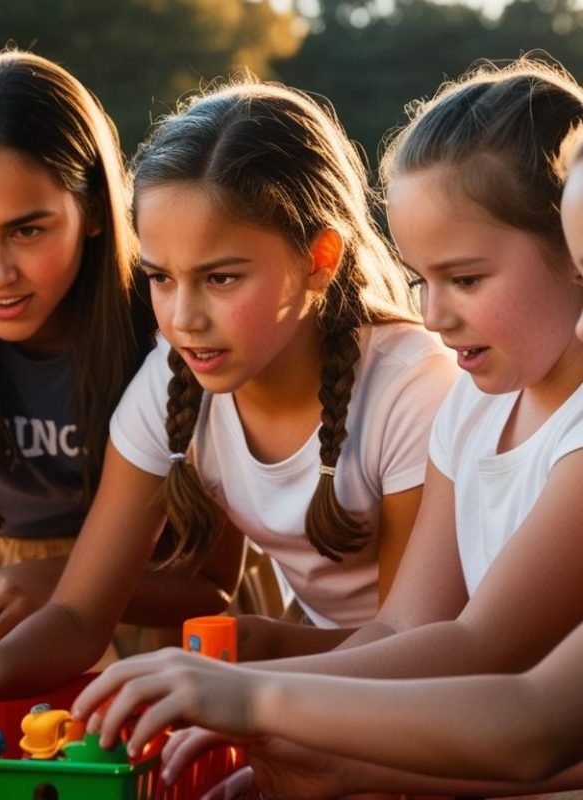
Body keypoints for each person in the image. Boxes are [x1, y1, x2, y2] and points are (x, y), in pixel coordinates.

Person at [72, 57, 583, 795]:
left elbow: (490, 664)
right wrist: (302, 753)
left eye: (465, 280)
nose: (433, 317)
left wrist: (257, 702)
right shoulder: (474, 403)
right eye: (420, 281)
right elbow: (406, 632)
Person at [0, 49, 241, 666]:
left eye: (27, 230)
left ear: (94, 209)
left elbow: (212, 586)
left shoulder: (175, 336)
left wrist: (60, 580)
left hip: (155, 641)